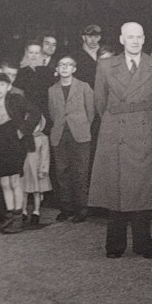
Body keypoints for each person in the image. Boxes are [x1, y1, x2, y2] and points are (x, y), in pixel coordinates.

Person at [89, 22, 152, 259]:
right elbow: (100, 101)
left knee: (142, 189)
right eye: (130, 37)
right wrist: (115, 121)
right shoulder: (105, 65)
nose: (134, 41)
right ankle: (115, 245)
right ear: (121, 39)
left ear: (144, 39)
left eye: (139, 37)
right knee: (116, 189)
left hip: (146, 130)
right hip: (116, 132)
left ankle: (144, 244)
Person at [0, 72, 35, 234]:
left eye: (1, 85)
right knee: (4, 183)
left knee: (14, 181)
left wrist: (23, 131)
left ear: (8, 87)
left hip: (14, 143)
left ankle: (18, 219)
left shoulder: (16, 99)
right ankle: (9, 218)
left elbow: (35, 113)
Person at [48, 55, 95, 222]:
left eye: (69, 65)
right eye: (61, 65)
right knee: (62, 172)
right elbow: (53, 114)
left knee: (80, 172)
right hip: (60, 136)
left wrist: (81, 126)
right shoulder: (52, 90)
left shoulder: (84, 87)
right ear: (57, 69)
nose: (65, 68)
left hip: (80, 135)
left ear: (74, 69)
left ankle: (81, 209)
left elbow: (91, 112)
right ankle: (66, 208)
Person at [22, 115, 51, 226]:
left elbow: (45, 155)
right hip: (26, 167)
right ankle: (23, 211)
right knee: (24, 190)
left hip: (37, 168)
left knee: (37, 191)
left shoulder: (42, 138)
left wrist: (43, 169)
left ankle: (36, 211)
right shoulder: (24, 137)